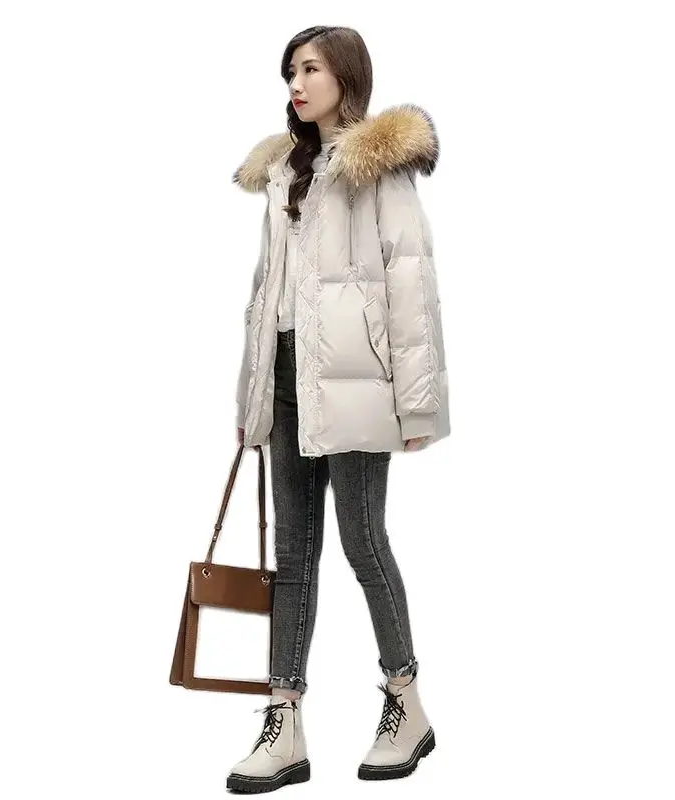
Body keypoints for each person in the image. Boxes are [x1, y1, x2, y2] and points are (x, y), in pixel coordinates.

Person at [227, 25, 450, 793]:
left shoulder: (378, 165)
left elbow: (410, 283)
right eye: (290, 70)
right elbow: (265, 293)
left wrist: (417, 406)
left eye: (310, 68)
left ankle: (406, 703)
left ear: (345, 76)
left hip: (357, 385)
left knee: (362, 541)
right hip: (289, 380)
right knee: (293, 556)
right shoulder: (285, 170)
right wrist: (253, 393)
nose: (296, 82)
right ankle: (284, 723)